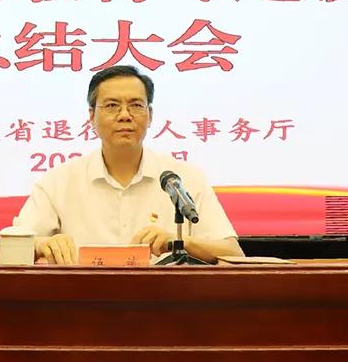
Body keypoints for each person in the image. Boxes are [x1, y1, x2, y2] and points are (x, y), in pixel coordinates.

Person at [13, 65, 244, 264]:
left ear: (150, 115)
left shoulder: (183, 179)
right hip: (82, 297)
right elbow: (7, 250)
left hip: (164, 297)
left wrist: (179, 242)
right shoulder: (59, 181)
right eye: (112, 105)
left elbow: (233, 252)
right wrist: (42, 244)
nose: (125, 115)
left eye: (135, 105)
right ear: (91, 116)